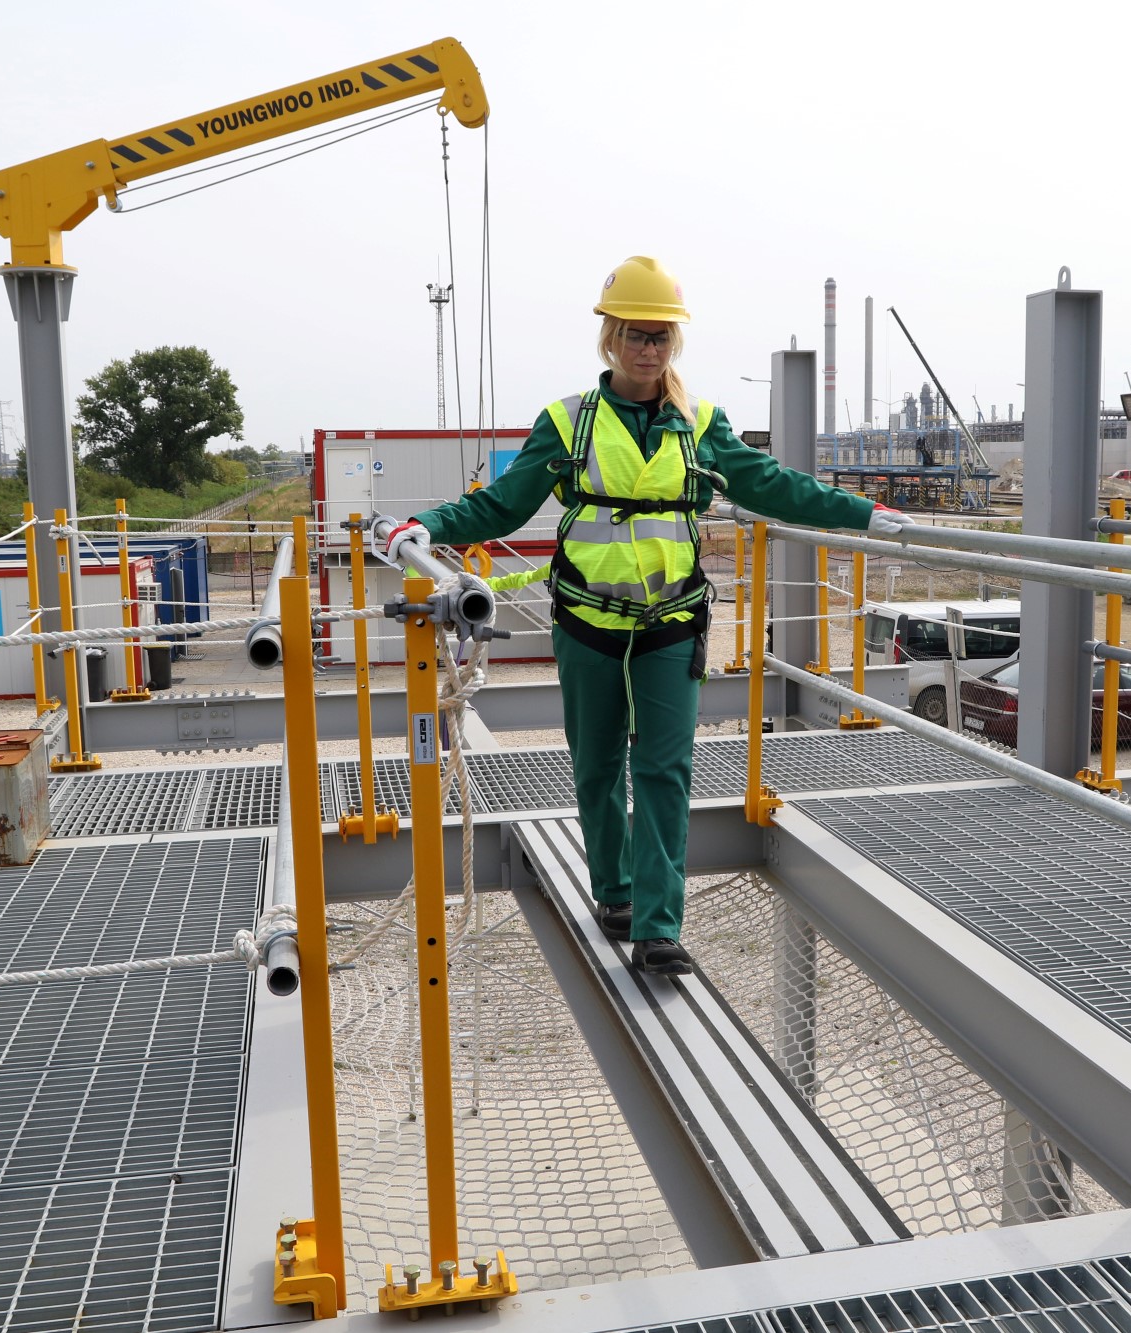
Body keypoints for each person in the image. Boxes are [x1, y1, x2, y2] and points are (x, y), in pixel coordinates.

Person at [386, 257, 907, 975]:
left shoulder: (700, 423)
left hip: (671, 623)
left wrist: (862, 514)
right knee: (598, 765)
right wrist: (425, 526)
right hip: (587, 624)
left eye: (660, 336)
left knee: (665, 768)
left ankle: (659, 928)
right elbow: (502, 505)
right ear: (611, 337)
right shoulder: (568, 422)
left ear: (673, 342)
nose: (648, 348)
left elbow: (770, 485)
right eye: (635, 334)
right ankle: (616, 892)